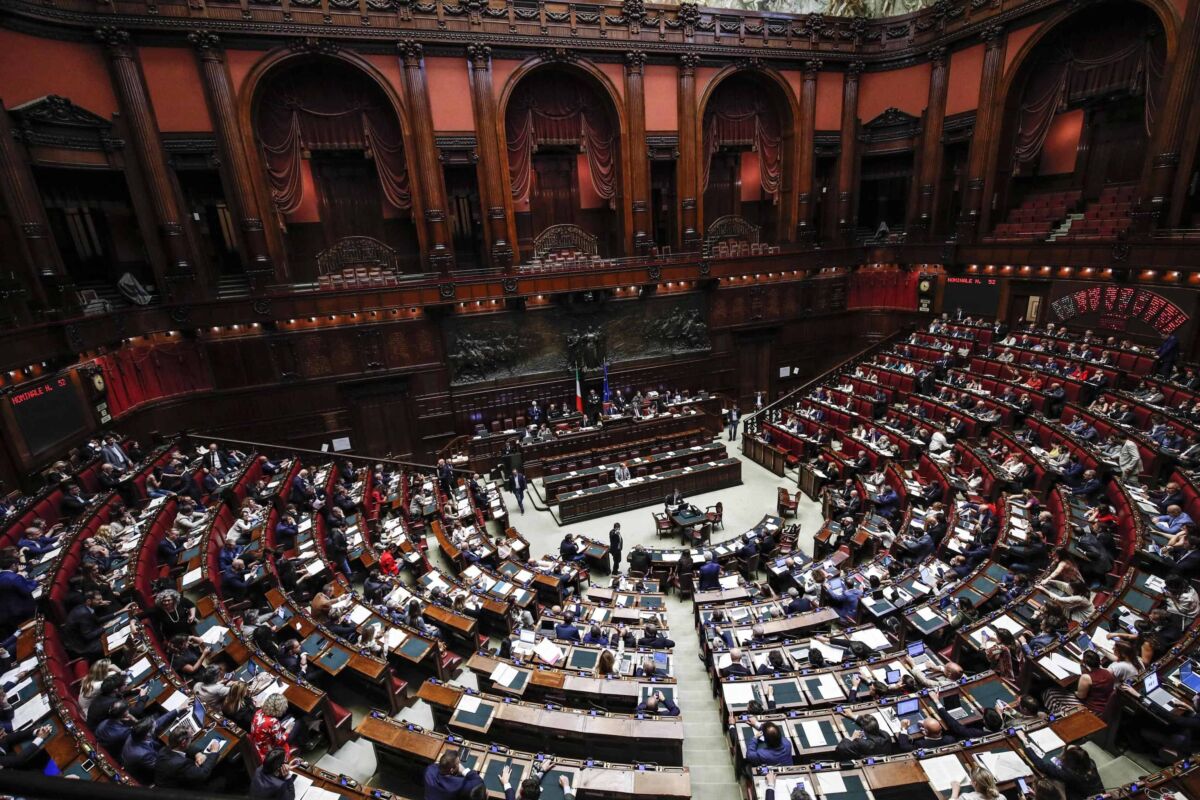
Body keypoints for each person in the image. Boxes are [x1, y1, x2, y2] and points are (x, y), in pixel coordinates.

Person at [154, 728, 222, 789]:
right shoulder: (181, 764)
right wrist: (214, 751)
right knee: (220, 781)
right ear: (183, 742)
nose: (191, 739)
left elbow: (184, 746)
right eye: (190, 738)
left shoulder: (164, 749)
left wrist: (197, 754)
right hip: (176, 792)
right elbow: (202, 774)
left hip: (167, 780)